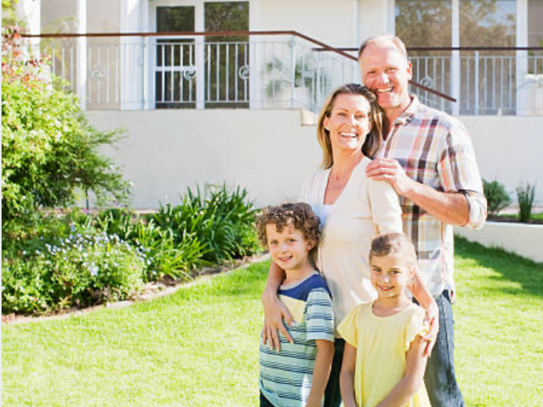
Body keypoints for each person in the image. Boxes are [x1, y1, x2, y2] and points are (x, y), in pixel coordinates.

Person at [262, 84, 438, 407]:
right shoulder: (313, 182)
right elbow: (288, 244)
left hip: (359, 333)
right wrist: (269, 293)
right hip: (313, 330)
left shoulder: (374, 178)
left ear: (370, 125)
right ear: (326, 121)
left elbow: (397, 249)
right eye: (342, 113)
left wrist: (428, 302)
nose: (350, 123)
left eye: (360, 116)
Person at [359, 34, 487, 407]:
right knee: (376, 389)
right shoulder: (360, 129)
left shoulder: (443, 129)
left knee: (440, 397)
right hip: (367, 296)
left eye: (390, 70)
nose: (381, 80)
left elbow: (473, 212)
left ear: (409, 72)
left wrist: (407, 186)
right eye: (371, 72)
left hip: (424, 292)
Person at [256, 203, 335, 407]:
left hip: (297, 401)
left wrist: (314, 400)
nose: (281, 249)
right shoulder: (280, 287)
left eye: (290, 240)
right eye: (274, 242)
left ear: (309, 242)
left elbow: (326, 350)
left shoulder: (314, 291)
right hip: (269, 392)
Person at [339, 233, 431, 407]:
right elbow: (346, 371)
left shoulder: (415, 319)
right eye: (377, 269)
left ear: (410, 272)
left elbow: (412, 381)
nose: (384, 279)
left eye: (394, 272)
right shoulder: (358, 316)